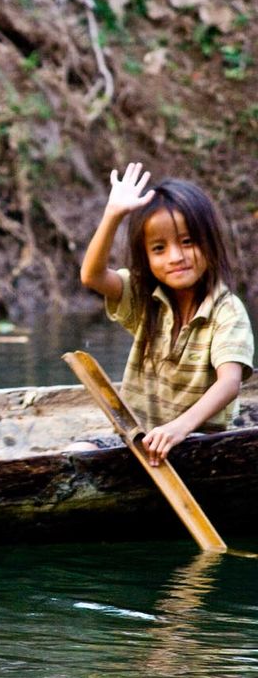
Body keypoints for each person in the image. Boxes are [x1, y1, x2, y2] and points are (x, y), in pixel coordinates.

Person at [78, 161, 254, 466]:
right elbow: (91, 276)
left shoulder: (227, 310)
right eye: (159, 248)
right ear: (146, 257)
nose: (176, 257)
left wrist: (178, 429)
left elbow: (229, 383)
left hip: (199, 443)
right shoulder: (146, 299)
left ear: (209, 242)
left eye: (187, 242)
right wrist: (113, 215)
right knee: (78, 454)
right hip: (138, 438)